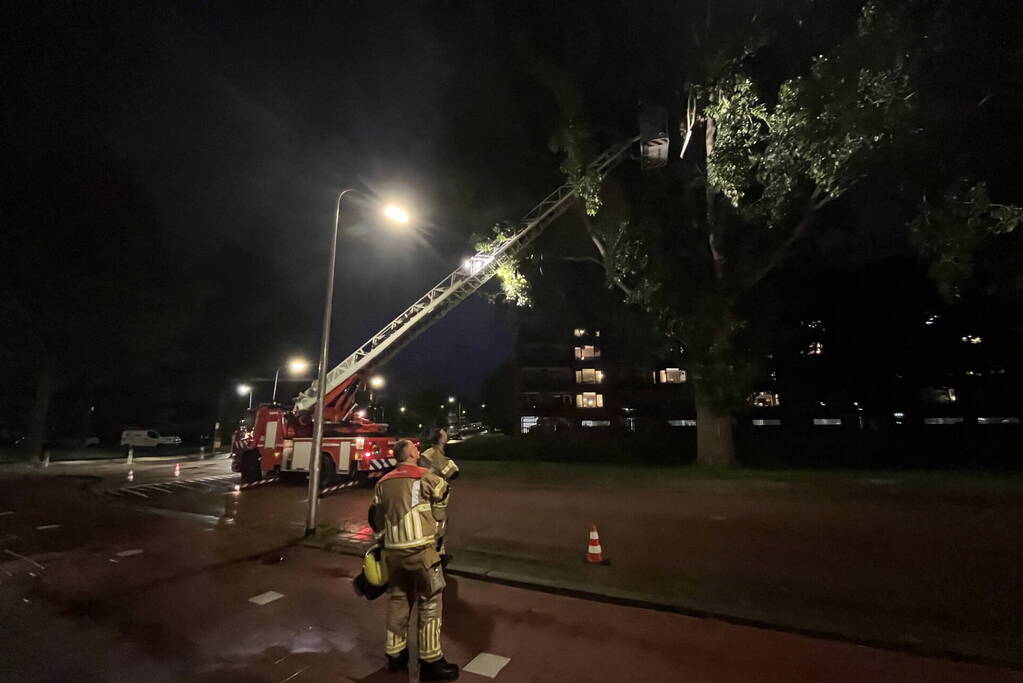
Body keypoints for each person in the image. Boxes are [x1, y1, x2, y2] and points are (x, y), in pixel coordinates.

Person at [368, 439, 459, 681]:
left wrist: (383, 540)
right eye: (415, 448)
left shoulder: (381, 482)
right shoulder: (424, 476)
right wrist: (438, 523)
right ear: (409, 452)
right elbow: (444, 491)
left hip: (394, 553)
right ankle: (431, 660)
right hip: (422, 551)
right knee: (430, 601)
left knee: (398, 599)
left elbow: (375, 517)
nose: (418, 451)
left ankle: (395, 655)